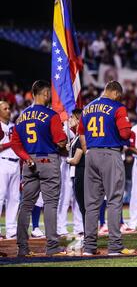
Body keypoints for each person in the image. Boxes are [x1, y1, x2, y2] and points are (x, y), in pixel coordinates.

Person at [11, 80, 68, 257]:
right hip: (48, 161)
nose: (50, 96)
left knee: (26, 206)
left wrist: (27, 158)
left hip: (29, 163)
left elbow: (15, 143)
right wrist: (64, 142)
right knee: (50, 204)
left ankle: (22, 248)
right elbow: (60, 141)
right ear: (44, 94)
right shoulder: (51, 115)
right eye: (48, 93)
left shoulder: (21, 116)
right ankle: (52, 247)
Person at [79, 81, 135, 256]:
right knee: (114, 200)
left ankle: (89, 247)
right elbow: (125, 133)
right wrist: (129, 135)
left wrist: (89, 150)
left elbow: (81, 132)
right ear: (116, 93)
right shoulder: (118, 107)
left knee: (91, 204)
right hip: (110, 154)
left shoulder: (87, 108)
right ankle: (115, 247)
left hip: (91, 155)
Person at [0, 101, 21, 239]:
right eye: (5, 108)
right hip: (2, 162)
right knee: (0, 197)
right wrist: (11, 143)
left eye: (9, 108)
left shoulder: (14, 127)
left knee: (14, 198)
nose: (8, 110)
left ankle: (11, 229)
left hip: (16, 163)